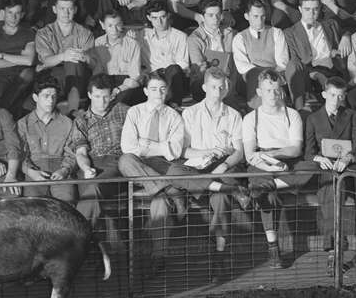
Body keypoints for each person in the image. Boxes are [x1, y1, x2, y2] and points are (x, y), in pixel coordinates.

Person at [165, 67, 249, 254]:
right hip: (199, 165)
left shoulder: (234, 115)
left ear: (226, 88)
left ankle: (219, 251)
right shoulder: (190, 113)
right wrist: (207, 151)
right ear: (204, 87)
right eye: (213, 87)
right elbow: (184, 151)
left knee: (222, 195)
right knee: (173, 172)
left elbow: (239, 152)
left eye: (221, 88)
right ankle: (231, 190)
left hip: (223, 166)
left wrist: (225, 164)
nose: (217, 92)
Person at [242, 69, 315, 267]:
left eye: (276, 90)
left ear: (281, 91)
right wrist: (266, 160)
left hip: (285, 161)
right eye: (267, 90)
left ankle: (264, 186)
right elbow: (250, 154)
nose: (272, 95)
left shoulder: (292, 115)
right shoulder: (250, 118)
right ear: (259, 91)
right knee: (269, 196)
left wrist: (275, 156)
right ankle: (273, 248)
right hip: (260, 163)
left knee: (312, 166)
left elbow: (295, 149)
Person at [302, 77, 356, 271]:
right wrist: (319, 159)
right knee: (329, 195)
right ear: (325, 94)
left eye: (340, 96)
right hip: (327, 169)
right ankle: (334, 250)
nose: (336, 99)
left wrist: (348, 158)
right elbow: (308, 152)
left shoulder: (352, 115)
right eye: (333, 95)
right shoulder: (313, 118)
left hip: (350, 168)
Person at [118, 73, 185, 271]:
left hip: (161, 166)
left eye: (163, 89)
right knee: (124, 161)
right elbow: (128, 147)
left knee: (160, 202)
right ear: (146, 91)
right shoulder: (134, 112)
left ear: (168, 91)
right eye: (154, 89)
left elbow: (174, 151)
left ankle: (159, 256)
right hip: (137, 167)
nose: (158, 93)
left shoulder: (174, 116)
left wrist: (147, 145)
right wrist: (159, 146)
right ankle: (171, 190)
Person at [74, 74, 130, 244]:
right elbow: (81, 152)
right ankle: (94, 245)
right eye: (97, 96)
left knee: (93, 189)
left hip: (117, 164)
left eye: (106, 96)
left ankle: (76, 239)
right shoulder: (81, 120)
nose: (102, 102)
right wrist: (86, 168)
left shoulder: (124, 111)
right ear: (90, 95)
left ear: (112, 95)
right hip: (91, 164)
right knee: (90, 187)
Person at [16, 77, 80, 203]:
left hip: (60, 168)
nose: (50, 101)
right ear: (35, 97)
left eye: (54, 96)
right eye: (46, 96)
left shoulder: (67, 123)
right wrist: (31, 172)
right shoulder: (23, 124)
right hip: (34, 169)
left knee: (67, 203)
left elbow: (71, 153)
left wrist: (64, 170)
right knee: (33, 205)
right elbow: (19, 154)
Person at [283, 0, 346, 110]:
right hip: (309, 72)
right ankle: (299, 110)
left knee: (339, 104)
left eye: (315, 9)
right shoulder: (290, 33)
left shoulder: (331, 25)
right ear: (300, 9)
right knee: (293, 66)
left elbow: (347, 32)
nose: (312, 13)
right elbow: (295, 61)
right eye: (307, 9)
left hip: (333, 69)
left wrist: (346, 37)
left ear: (320, 8)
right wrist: (316, 74)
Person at [34, 0, 93, 114]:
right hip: (54, 76)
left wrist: (84, 57)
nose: (66, 13)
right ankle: (73, 110)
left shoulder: (85, 33)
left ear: (75, 10)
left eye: (70, 9)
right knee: (68, 62)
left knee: (73, 63)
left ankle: (72, 109)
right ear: (55, 9)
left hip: (79, 75)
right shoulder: (44, 33)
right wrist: (63, 56)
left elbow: (92, 63)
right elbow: (46, 61)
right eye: (62, 9)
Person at [0, 0, 36, 118]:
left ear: (22, 15)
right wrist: (18, 59)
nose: (13, 17)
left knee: (28, 73)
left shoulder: (29, 33)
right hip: (0, 76)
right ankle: (0, 115)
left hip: (23, 76)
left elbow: (28, 61)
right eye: (10, 12)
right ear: (3, 13)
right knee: (14, 104)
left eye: (17, 13)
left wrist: (3, 56)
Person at [231, 0, 289, 102]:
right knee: (254, 75)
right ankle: (255, 111)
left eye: (262, 16)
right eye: (255, 16)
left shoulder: (276, 32)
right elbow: (242, 65)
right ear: (247, 16)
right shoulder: (240, 37)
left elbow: (282, 61)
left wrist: (270, 76)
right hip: (251, 78)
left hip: (274, 74)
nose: (259, 21)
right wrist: (262, 76)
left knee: (274, 82)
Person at [140, 2, 189, 108]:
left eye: (163, 17)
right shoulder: (142, 35)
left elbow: (183, 64)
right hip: (151, 76)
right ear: (149, 18)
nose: (159, 22)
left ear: (168, 15)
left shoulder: (180, 36)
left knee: (174, 69)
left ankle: (172, 105)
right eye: (155, 18)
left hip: (171, 77)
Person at [187, 0, 236, 103]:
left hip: (227, 78)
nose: (216, 19)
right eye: (210, 15)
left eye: (218, 14)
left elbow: (232, 64)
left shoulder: (229, 33)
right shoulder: (194, 39)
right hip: (204, 81)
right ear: (202, 17)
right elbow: (199, 68)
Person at [90, 10, 143, 106]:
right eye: (110, 26)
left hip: (125, 82)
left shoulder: (133, 44)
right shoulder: (98, 42)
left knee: (123, 99)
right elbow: (98, 70)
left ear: (122, 24)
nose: (114, 30)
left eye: (118, 25)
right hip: (106, 80)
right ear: (102, 25)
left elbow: (135, 75)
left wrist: (119, 89)